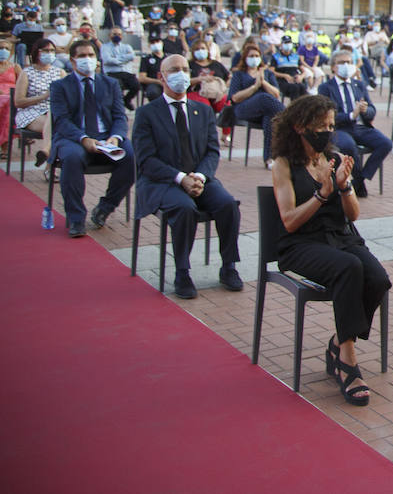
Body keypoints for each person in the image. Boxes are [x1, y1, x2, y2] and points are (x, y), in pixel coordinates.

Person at [270, 95, 391, 406]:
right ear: (299, 127)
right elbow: (289, 221)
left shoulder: (333, 158)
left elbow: (352, 216)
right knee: (348, 268)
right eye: (320, 126)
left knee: (377, 278)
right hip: (301, 244)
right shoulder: (283, 165)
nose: (327, 132)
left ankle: (338, 341)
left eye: (331, 126)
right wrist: (322, 195)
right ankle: (347, 361)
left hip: (341, 237)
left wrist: (344, 187)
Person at [131, 54, 242, 299]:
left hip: (199, 179)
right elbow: (146, 160)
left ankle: (228, 266)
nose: (180, 74)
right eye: (174, 70)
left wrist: (200, 176)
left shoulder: (202, 110)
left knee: (227, 205)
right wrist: (181, 178)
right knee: (184, 209)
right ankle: (182, 271)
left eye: (184, 69)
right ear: (161, 77)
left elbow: (212, 151)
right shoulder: (147, 114)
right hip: (162, 181)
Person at [48, 39, 136, 237]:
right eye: (81, 56)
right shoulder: (59, 86)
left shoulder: (111, 84)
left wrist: (115, 137)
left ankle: (105, 208)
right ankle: (76, 218)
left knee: (132, 157)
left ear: (97, 60)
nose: (87, 60)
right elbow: (61, 121)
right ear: (72, 61)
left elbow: (119, 116)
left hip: (106, 138)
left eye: (90, 56)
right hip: (74, 138)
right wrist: (83, 138)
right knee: (71, 158)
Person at [318, 49, 391, 198]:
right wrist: (352, 115)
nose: (346, 65)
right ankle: (357, 184)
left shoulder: (358, 85)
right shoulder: (326, 88)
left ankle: (360, 179)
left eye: (349, 62)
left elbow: (372, 109)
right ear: (333, 67)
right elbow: (326, 116)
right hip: (340, 128)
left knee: (385, 143)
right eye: (342, 62)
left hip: (360, 127)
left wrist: (365, 110)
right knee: (348, 146)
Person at [227, 41, 285, 166]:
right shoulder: (239, 74)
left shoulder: (267, 73)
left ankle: (269, 159)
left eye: (256, 56)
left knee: (271, 118)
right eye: (251, 56)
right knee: (263, 97)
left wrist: (263, 82)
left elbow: (276, 94)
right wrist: (254, 87)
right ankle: (289, 117)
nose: (254, 59)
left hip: (265, 110)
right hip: (244, 108)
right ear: (245, 58)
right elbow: (235, 98)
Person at [14, 38, 65, 169]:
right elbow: (18, 101)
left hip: (54, 111)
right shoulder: (27, 73)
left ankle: (46, 152)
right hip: (31, 112)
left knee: (57, 119)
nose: (50, 53)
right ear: (37, 52)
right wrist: (44, 96)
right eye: (46, 50)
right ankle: (50, 166)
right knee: (59, 127)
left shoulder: (60, 72)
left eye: (52, 51)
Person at [100, 27, 139, 110]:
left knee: (136, 85)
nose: (117, 36)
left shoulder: (127, 46)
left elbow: (131, 56)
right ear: (109, 35)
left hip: (126, 73)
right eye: (114, 34)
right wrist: (123, 59)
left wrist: (116, 58)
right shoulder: (104, 47)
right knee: (117, 86)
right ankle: (119, 107)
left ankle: (126, 100)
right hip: (112, 73)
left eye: (119, 34)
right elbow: (107, 60)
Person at [137, 37, 167, 102]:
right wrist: (158, 81)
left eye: (157, 42)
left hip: (169, 83)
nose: (155, 44)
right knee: (153, 92)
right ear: (149, 45)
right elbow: (142, 78)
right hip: (154, 83)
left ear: (162, 43)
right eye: (153, 43)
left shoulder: (169, 58)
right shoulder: (146, 59)